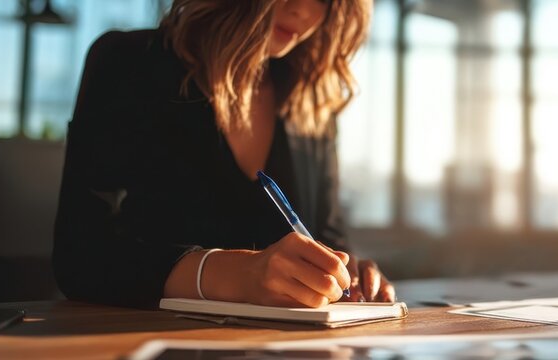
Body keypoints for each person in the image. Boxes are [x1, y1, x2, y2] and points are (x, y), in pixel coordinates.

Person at [52, 0, 394, 309]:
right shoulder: (128, 62)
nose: (304, 9)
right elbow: (81, 256)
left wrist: (346, 273)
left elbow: (328, 239)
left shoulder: (310, 101)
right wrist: (235, 275)